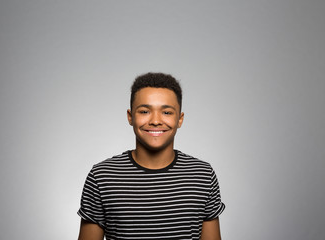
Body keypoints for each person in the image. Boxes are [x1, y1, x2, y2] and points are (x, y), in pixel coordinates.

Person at [77, 72, 225, 240]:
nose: (155, 120)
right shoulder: (101, 176)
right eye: (145, 111)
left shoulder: (203, 175)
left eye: (167, 112)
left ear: (180, 119)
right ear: (130, 116)